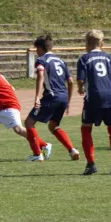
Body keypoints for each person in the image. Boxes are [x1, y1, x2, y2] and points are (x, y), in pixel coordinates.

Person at [25, 34, 80, 162]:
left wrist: (37, 96)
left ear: (40, 48)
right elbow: (71, 82)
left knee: (29, 123)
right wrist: (68, 103)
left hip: (51, 96)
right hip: (63, 97)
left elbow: (40, 74)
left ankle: (37, 154)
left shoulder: (42, 60)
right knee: (53, 126)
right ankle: (72, 150)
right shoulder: (60, 61)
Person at [77, 29, 111, 175]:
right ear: (102, 43)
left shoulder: (84, 59)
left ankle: (91, 163)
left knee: (86, 128)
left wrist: (80, 88)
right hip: (110, 96)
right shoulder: (110, 58)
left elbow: (81, 79)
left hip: (94, 98)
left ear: (86, 44)